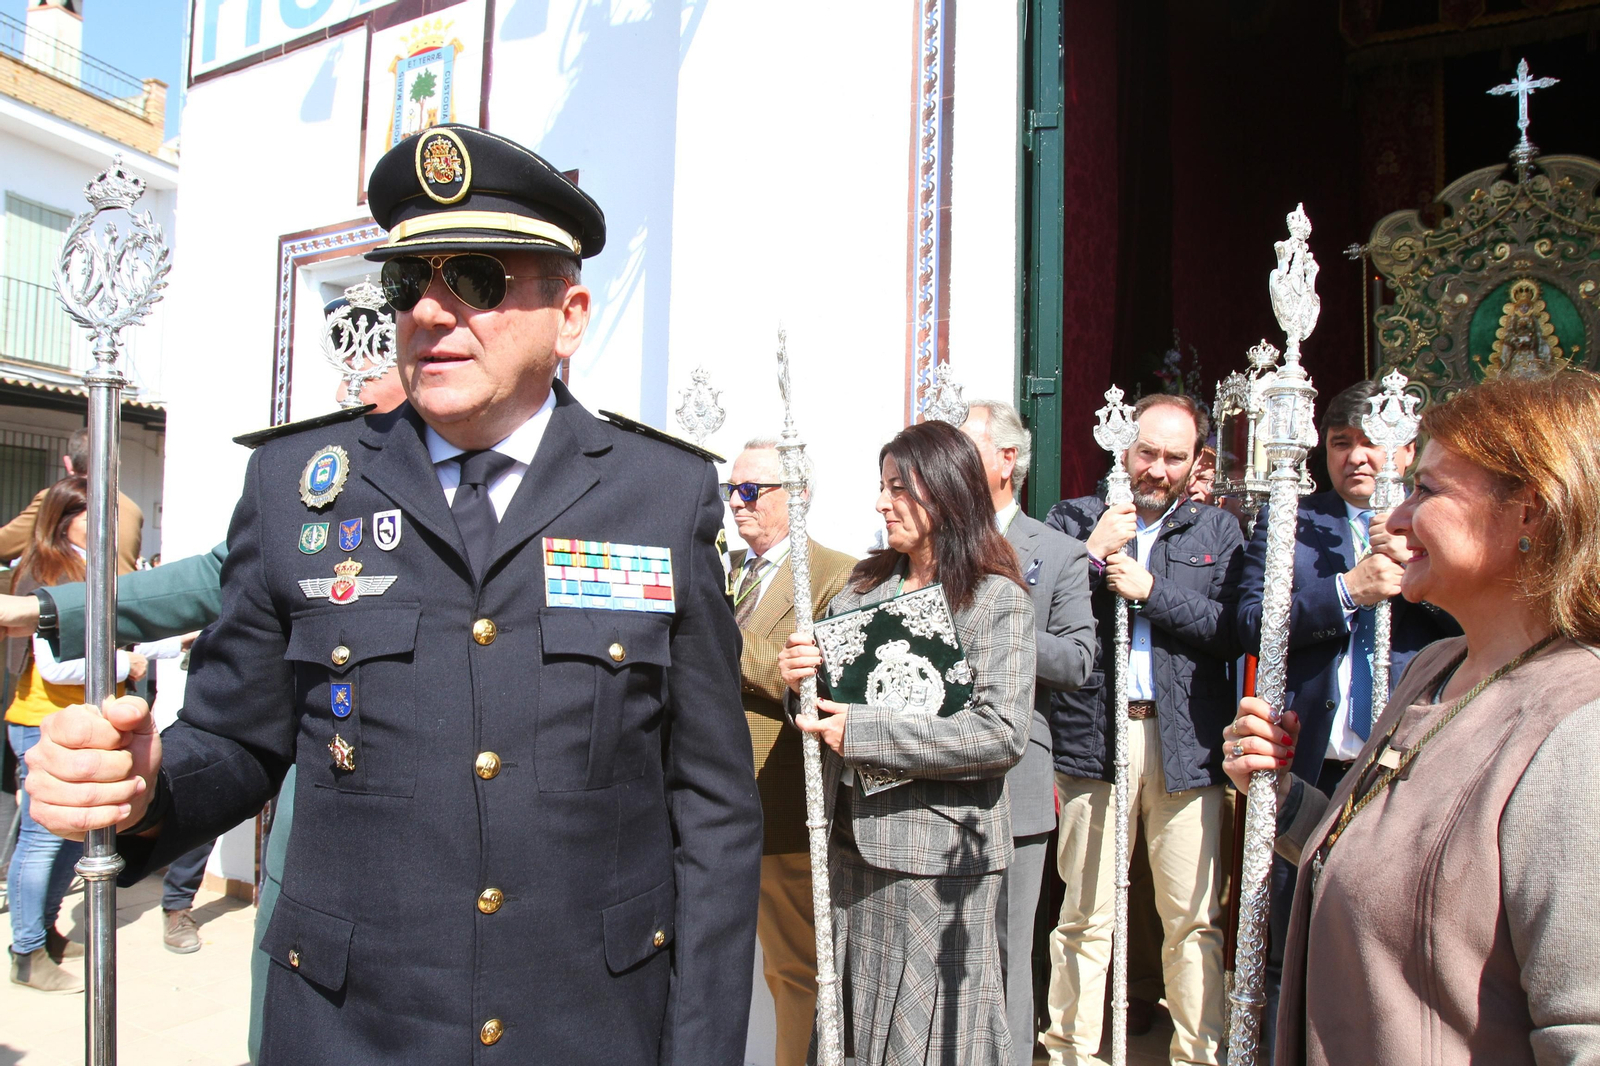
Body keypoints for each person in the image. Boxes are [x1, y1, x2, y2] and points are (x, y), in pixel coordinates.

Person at [23, 124, 762, 1064]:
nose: (433, 313)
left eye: (480, 282)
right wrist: (144, 784)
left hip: (585, 1025)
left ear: (569, 315)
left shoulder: (660, 497)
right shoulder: (298, 485)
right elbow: (237, 737)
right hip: (351, 1028)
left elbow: (713, 810)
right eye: (410, 284)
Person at [1224, 372, 1600, 1066]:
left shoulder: (1580, 730)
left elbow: (1583, 1030)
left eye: (1427, 491)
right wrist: (1275, 794)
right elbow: (1388, 865)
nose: (1393, 519)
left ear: (1532, 513)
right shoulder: (1435, 672)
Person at [778, 420, 1035, 1065]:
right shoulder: (865, 591)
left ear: (947, 494)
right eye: (882, 486)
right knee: (858, 1025)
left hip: (941, 858)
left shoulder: (993, 601)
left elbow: (1000, 735)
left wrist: (863, 733)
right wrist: (798, 682)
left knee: (937, 1032)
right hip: (853, 850)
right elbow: (822, 705)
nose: (881, 502)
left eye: (900, 488)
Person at [1234, 379, 1460, 1051]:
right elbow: (1250, 619)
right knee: (1285, 941)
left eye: (1375, 443)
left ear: (1409, 448)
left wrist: (1419, 579)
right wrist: (1346, 591)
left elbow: (1478, 618)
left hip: (1409, 769)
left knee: (1391, 942)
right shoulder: (1291, 519)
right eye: (1343, 443)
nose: (1360, 457)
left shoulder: (1440, 522)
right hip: (1307, 767)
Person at [1041, 393, 1244, 1066]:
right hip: (1097, 743)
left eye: (1174, 458)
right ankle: (1072, 1052)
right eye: (1147, 453)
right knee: (1086, 915)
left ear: (1196, 464)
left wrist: (1150, 591)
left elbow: (1232, 631)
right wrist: (1089, 560)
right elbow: (1027, 608)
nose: (1157, 469)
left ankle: (1199, 1055)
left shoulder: (1218, 532)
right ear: (1123, 449)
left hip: (1184, 743)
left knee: (1193, 921)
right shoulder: (1074, 517)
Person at [961, 400, 1096, 1065]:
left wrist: (1002, 624)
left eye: (966, 448)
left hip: (1015, 783)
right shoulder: (929, 543)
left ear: (1007, 459)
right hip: (931, 776)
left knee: (1010, 953)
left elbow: (1077, 660)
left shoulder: (1058, 552)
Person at [724, 438, 855, 1066]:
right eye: (732, 490)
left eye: (752, 491)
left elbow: (805, 680)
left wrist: (706, 639)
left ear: (797, 497)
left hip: (780, 809)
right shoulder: (723, 570)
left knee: (794, 971)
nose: (737, 504)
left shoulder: (835, 574)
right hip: (708, 804)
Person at [6, 476, 145, 992]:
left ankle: (44, 929)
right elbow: (55, 665)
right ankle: (26, 952)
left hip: (81, 722)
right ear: (67, 521)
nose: (107, 525)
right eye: (95, 515)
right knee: (42, 843)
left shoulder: (89, 567)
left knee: (69, 841)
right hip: (42, 721)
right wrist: (121, 661)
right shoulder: (47, 569)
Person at [0, 428, 142, 574]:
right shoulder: (132, 509)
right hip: (122, 593)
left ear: (67, 463)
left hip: (76, 592)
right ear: (115, 464)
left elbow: (5, 545)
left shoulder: (58, 497)